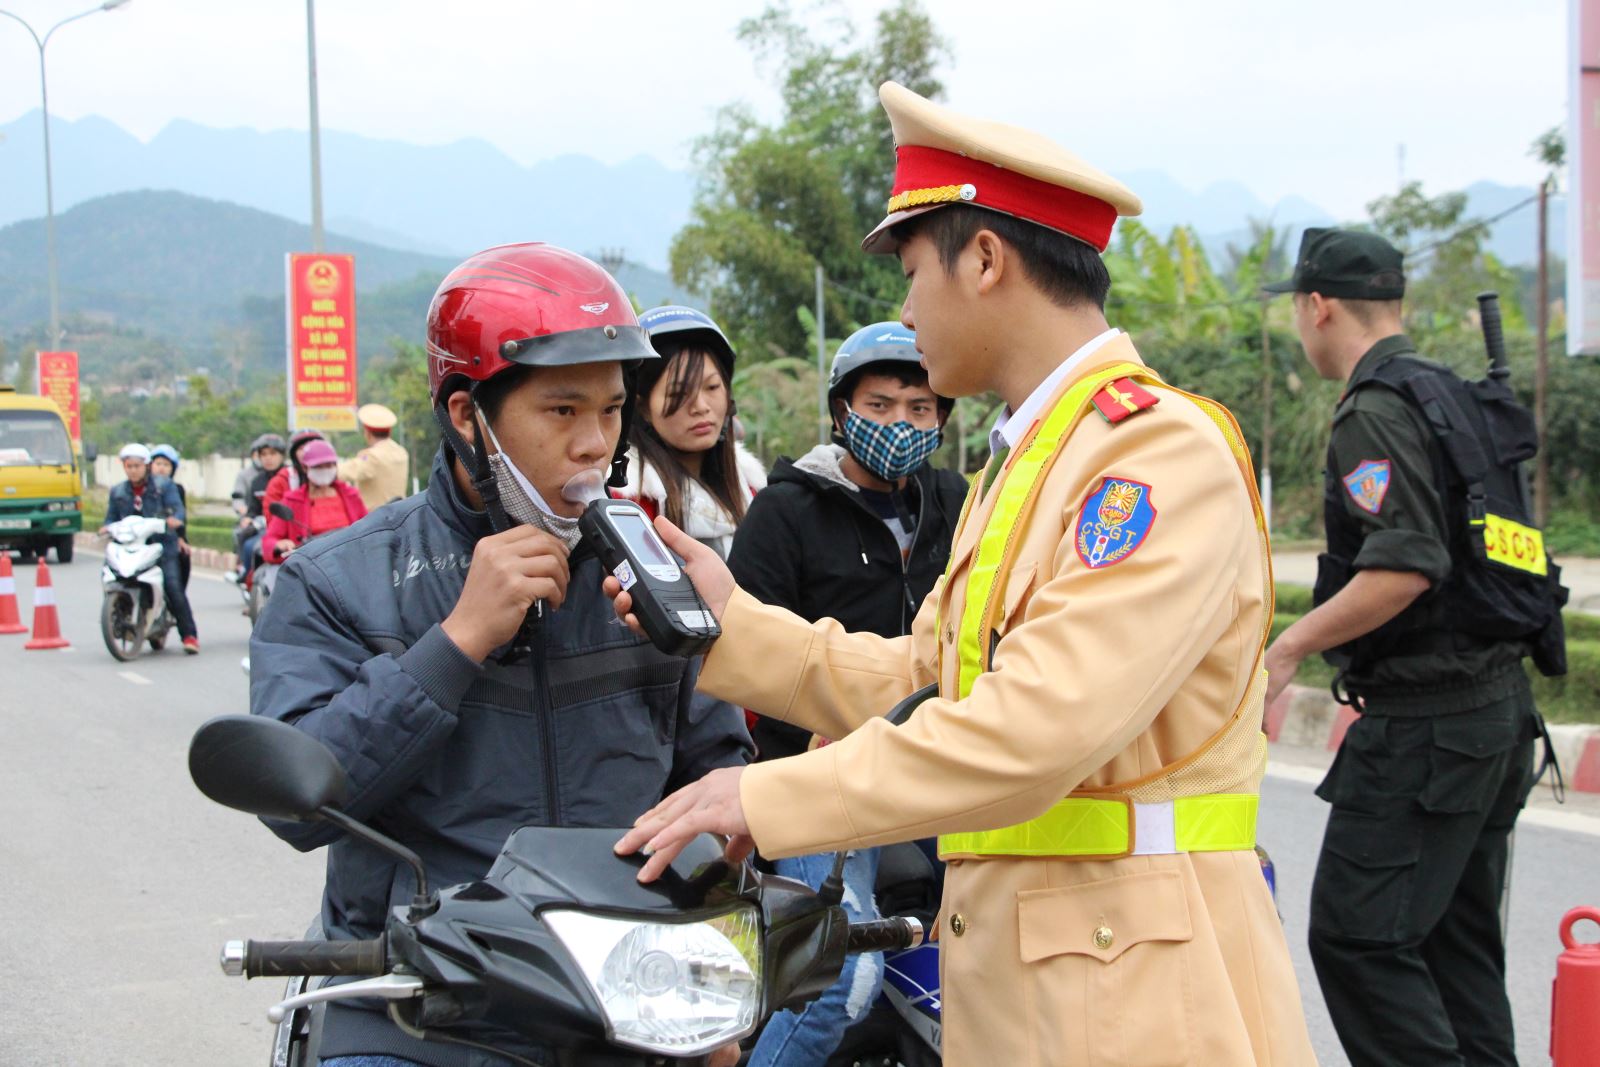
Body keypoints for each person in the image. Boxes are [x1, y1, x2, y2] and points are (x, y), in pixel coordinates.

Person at [612, 82, 1317, 1067]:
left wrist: (764, 798)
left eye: (911, 270)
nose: (904, 307)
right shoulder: (1026, 462)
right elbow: (928, 681)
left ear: (984, 259)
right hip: (1044, 986)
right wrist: (732, 623)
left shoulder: (1152, 457)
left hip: (1141, 996)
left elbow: (1031, 726)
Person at [250, 243, 752, 1067]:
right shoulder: (340, 580)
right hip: (415, 1009)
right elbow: (298, 802)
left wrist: (718, 962)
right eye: (562, 412)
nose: (594, 443)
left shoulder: (654, 574)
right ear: (465, 415)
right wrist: (456, 642)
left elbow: (717, 777)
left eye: (611, 409)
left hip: (624, 1006)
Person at [1262, 228, 1560, 1066]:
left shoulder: (1375, 410)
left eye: (1297, 307)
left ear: (1317, 305)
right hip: (1496, 711)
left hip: (1428, 727)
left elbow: (1406, 565)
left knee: (1358, 941)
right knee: (1455, 950)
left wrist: (1289, 649)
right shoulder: (1449, 392)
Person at [729, 320, 967, 1067]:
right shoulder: (787, 509)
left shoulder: (961, 500)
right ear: (841, 411)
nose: (902, 423)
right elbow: (751, 654)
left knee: (1000, 945)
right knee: (839, 973)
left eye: (920, 409)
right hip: (818, 768)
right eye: (882, 403)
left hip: (941, 759)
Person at [621, 305, 766, 558]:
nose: (701, 407)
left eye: (712, 387)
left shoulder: (752, 491)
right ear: (642, 407)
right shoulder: (629, 503)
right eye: (678, 394)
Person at [102, 442, 199, 654]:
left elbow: (177, 510)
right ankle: (118, 618)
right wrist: (105, 528)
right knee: (110, 576)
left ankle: (189, 634)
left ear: (146, 466)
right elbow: (111, 518)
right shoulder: (118, 491)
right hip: (131, 547)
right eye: (129, 466)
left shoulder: (164, 486)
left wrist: (174, 520)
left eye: (137, 466)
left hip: (161, 546)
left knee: (173, 586)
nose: (133, 470)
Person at [261, 438, 367, 564]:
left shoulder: (351, 496)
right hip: (310, 569)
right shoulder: (292, 500)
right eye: (318, 466)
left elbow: (368, 529)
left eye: (329, 465)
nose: (324, 470)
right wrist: (279, 544)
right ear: (305, 468)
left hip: (350, 563)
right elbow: (269, 541)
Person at [231, 433, 286, 581]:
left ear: (282, 455)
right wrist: (248, 518)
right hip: (264, 525)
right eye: (264, 454)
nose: (268, 458)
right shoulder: (257, 481)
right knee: (249, 545)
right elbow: (252, 508)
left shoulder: (291, 477)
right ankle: (248, 577)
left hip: (288, 526)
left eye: (273, 454)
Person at [338, 402, 410, 509]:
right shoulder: (401, 452)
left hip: (376, 519)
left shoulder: (372, 457)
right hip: (400, 515)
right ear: (389, 432)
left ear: (367, 433)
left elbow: (341, 472)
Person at [148, 444, 191, 591]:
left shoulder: (176, 489)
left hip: (170, 535)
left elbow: (181, 516)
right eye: (158, 463)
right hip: (146, 536)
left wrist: (180, 537)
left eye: (166, 465)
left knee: (184, 556)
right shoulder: (144, 487)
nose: (161, 468)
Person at [263, 428, 326, 513]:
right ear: (294, 455)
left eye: (311, 446)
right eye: (301, 448)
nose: (306, 451)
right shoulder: (280, 482)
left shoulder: (335, 480)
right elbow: (273, 520)